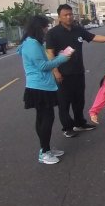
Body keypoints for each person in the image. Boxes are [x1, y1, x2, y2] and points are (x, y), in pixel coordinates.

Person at [45, 4, 105, 138]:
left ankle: (79, 123)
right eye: (65, 15)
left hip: (78, 71)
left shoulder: (78, 30)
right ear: (59, 17)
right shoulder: (52, 33)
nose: (69, 17)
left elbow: (93, 37)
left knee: (79, 100)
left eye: (70, 14)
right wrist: (56, 71)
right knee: (64, 103)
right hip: (62, 73)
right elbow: (50, 53)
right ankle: (67, 127)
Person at [18, 15, 72, 165]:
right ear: (38, 28)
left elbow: (44, 61)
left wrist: (59, 56)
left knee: (42, 118)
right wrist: (62, 58)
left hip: (41, 86)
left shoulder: (33, 42)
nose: (46, 30)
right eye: (45, 27)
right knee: (46, 119)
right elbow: (42, 66)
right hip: (39, 87)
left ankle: (46, 149)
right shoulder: (32, 44)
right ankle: (44, 152)